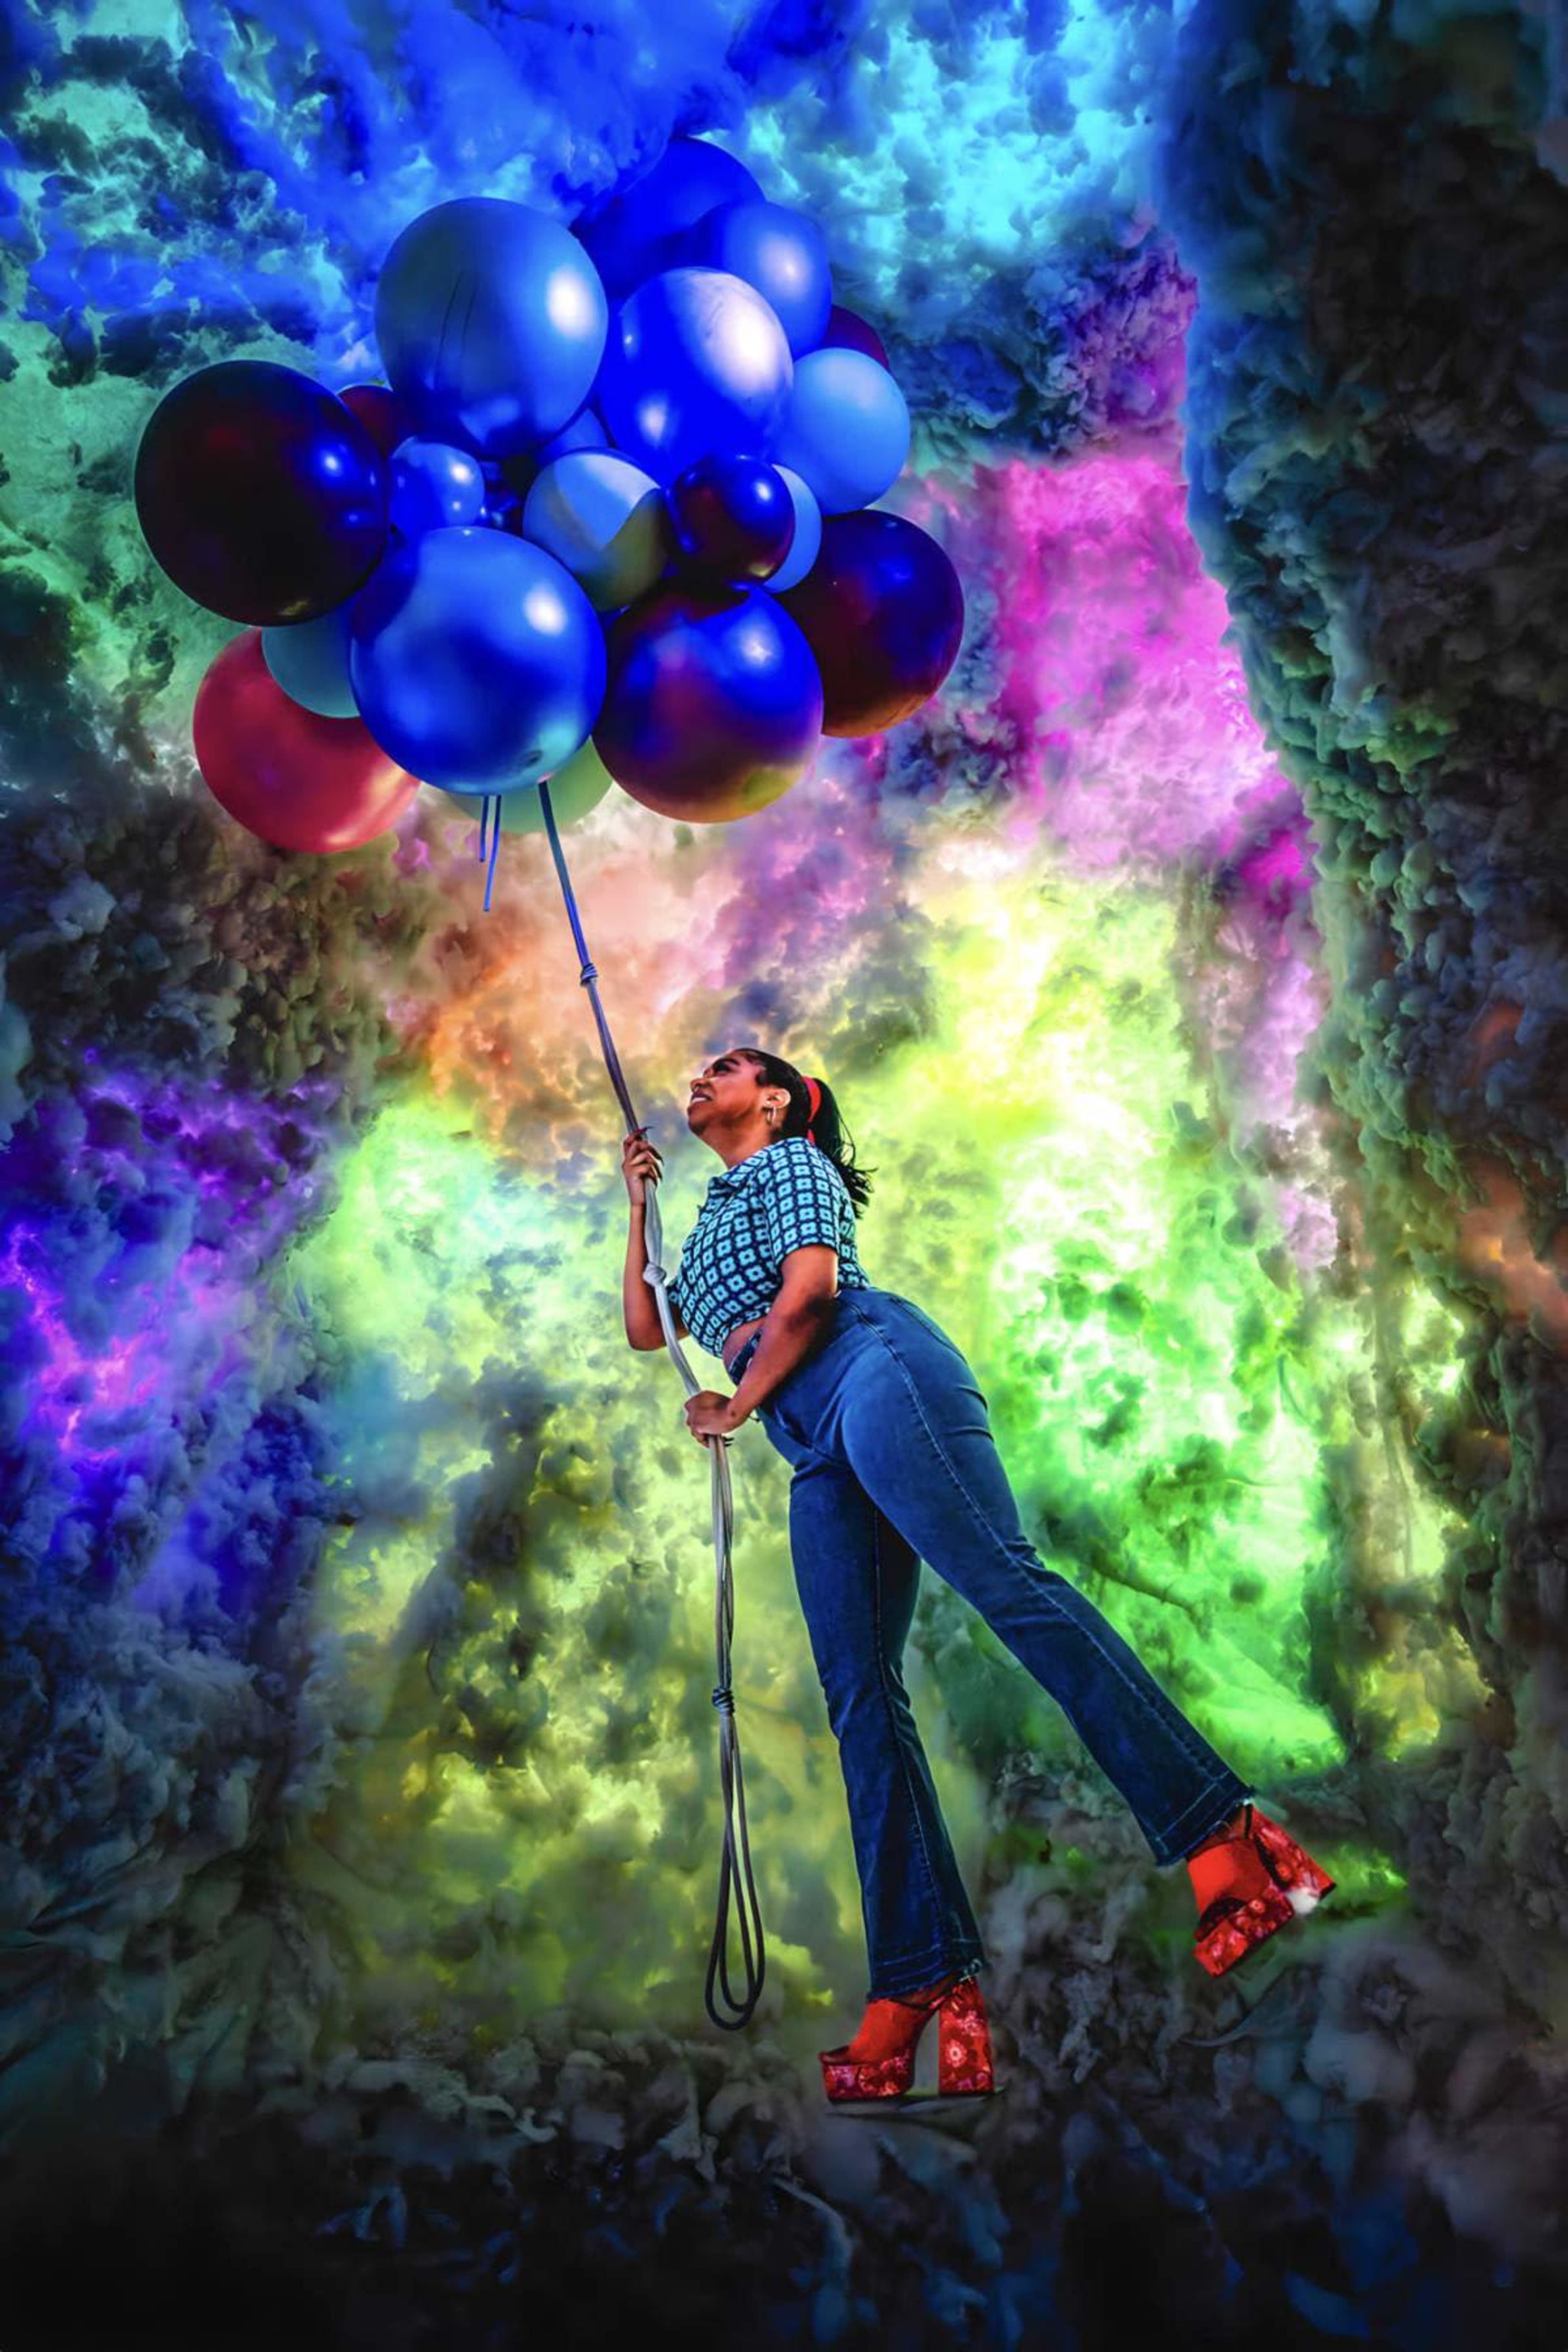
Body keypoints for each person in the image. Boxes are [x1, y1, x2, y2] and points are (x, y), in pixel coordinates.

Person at [620, 1047, 1334, 2106]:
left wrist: (734, 1401)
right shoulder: (714, 1211)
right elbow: (649, 1326)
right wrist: (636, 1206)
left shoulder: (793, 1168)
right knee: (858, 1699)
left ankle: (1230, 1838)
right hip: (808, 1432)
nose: (698, 1075)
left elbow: (812, 1299)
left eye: (723, 1066)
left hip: (869, 1365)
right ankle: (922, 1985)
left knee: (1005, 1585)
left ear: (773, 1101)